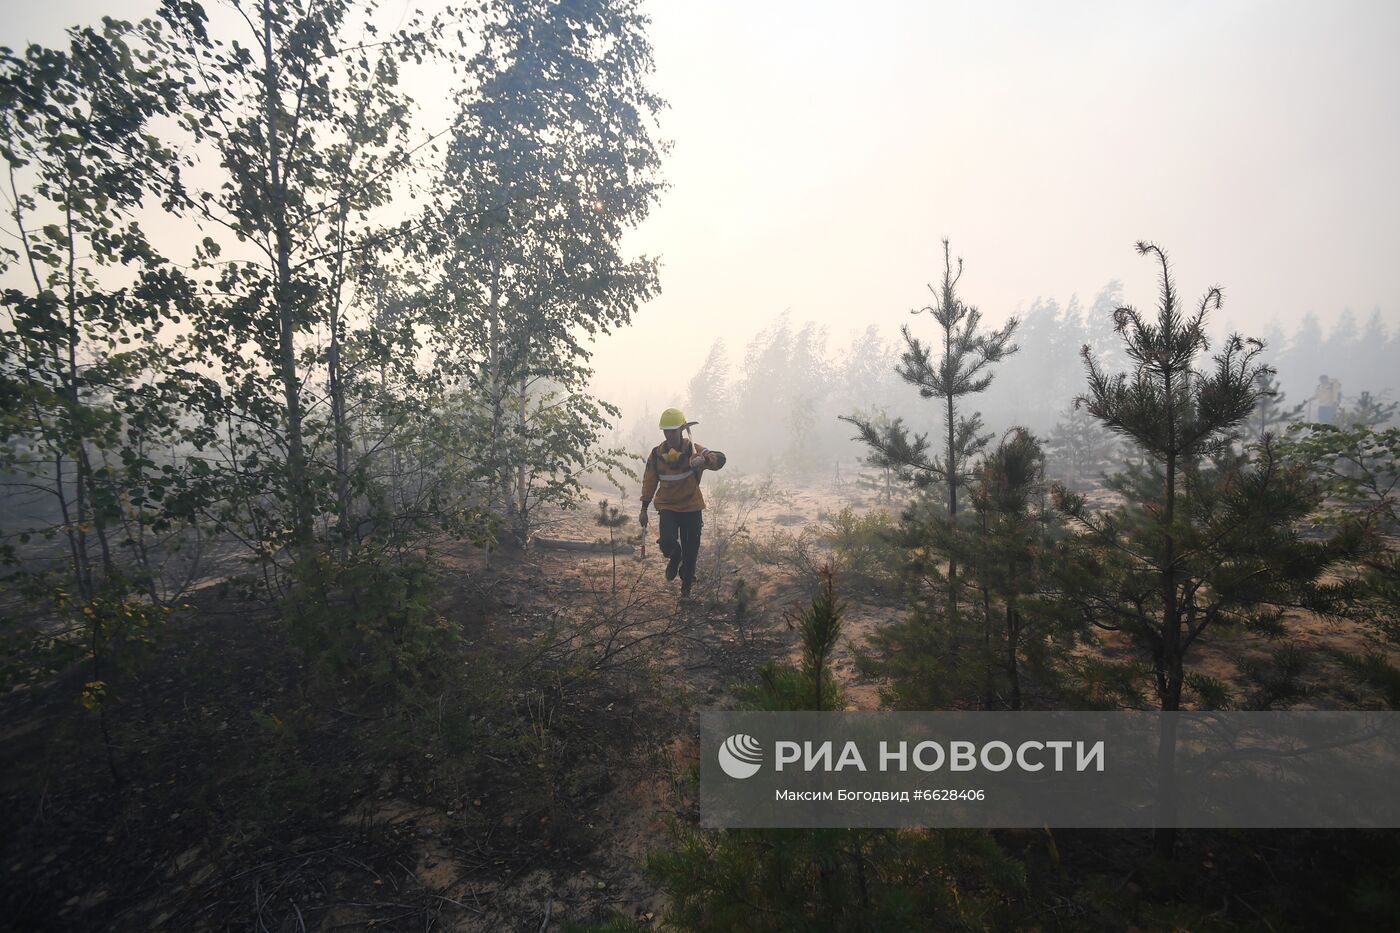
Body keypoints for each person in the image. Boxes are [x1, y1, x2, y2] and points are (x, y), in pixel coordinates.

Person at [639, 408, 726, 598]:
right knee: (667, 543)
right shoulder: (657, 454)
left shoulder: (693, 449)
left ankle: (686, 589)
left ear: (681, 430)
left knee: (691, 551)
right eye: (666, 431)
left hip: (692, 506)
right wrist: (644, 508)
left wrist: (704, 459)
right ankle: (674, 555)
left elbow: (720, 459)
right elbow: (649, 481)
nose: (669, 435)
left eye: (673, 431)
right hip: (668, 507)